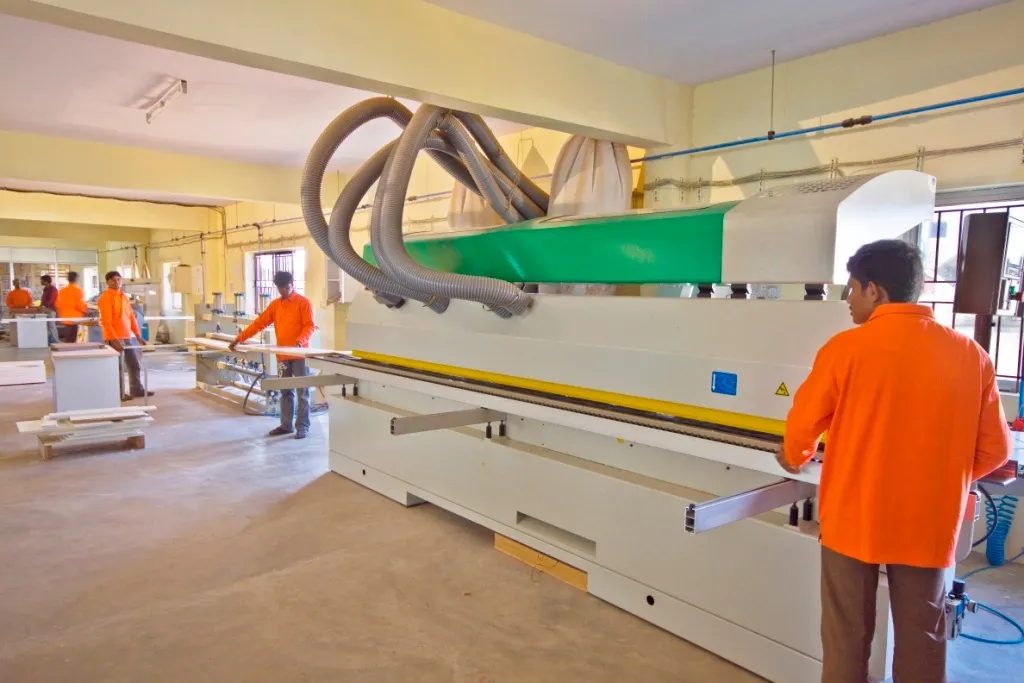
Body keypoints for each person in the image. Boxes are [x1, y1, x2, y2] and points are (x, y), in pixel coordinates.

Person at [778, 239, 1010, 683]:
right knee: (923, 640)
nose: (848, 300)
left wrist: (793, 457)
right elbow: (995, 450)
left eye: (851, 289)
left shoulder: (845, 349)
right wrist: (945, 477)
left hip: (853, 517)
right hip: (929, 523)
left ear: (875, 291)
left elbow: (803, 425)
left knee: (846, 637)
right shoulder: (971, 356)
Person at [229, 271, 315, 439]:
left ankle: (302, 427)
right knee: (285, 391)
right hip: (282, 355)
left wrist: (300, 341)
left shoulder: (303, 303)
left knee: (303, 392)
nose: (284, 291)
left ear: (292, 285)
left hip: (300, 355)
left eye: (286, 288)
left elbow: (310, 326)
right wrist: (239, 338)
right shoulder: (275, 306)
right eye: (280, 288)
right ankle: (286, 425)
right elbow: (259, 324)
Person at [97, 270, 153, 401]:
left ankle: (136, 390)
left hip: (126, 337)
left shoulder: (123, 297)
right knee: (117, 368)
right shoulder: (105, 298)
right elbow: (106, 322)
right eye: (113, 280)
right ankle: (118, 394)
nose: (116, 282)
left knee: (134, 365)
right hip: (114, 338)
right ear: (107, 282)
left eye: (118, 280)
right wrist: (114, 340)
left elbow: (131, 317)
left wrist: (138, 336)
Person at [55, 271, 89, 343]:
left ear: (67, 279)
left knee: (69, 337)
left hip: (65, 318)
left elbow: (57, 305)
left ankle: (68, 348)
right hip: (76, 319)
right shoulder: (77, 290)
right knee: (77, 339)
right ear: (76, 279)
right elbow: (79, 305)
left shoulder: (62, 291)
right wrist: (86, 311)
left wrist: (60, 316)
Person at [39, 274, 59, 344]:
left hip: (51, 310)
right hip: (46, 309)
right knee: (47, 326)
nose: (41, 282)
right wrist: (40, 306)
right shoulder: (45, 289)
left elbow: (51, 300)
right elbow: (43, 299)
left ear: (46, 281)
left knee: (52, 325)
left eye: (42, 280)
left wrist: (46, 307)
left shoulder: (53, 289)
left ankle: (56, 341)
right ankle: (49, 341)